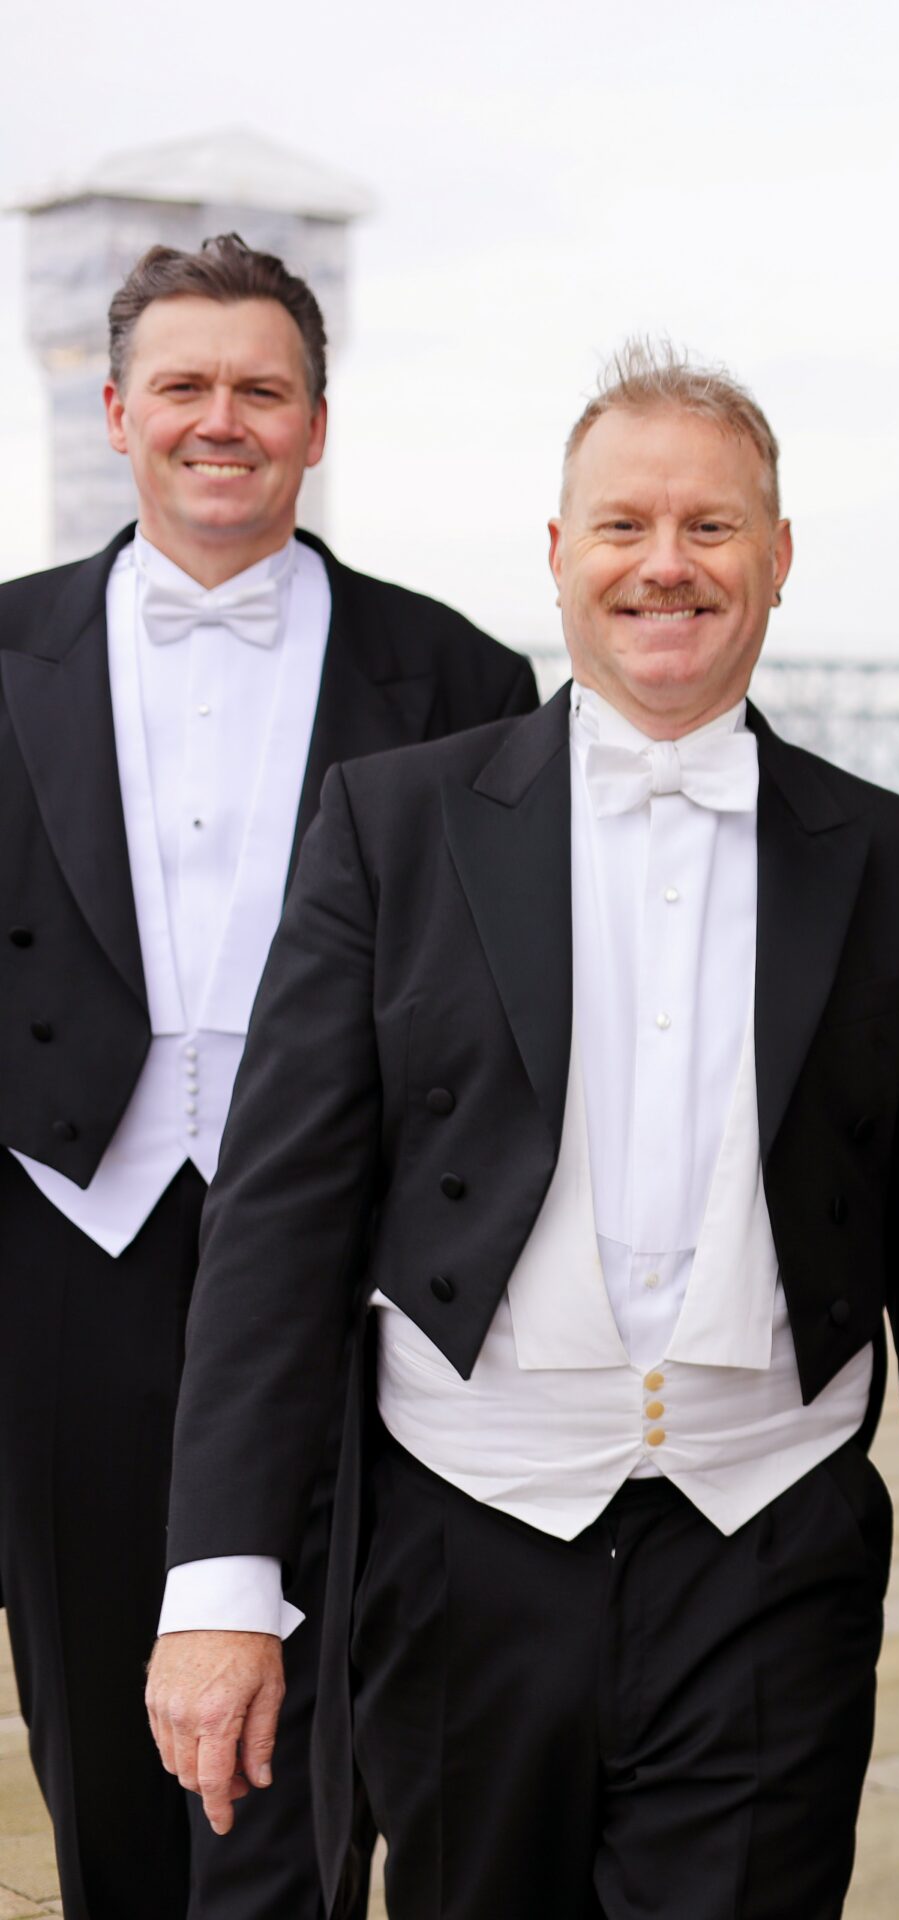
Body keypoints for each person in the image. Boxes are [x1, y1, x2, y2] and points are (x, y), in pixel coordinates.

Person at [138, 340, 899, 1919]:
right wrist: (220, 1586)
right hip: (463, 1543)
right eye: (623, 525)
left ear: (778, 556)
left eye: (711, 526)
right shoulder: (391, 825)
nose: (667, 564)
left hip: (772, 1546)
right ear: (557, 552)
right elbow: (279, 1223)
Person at [0, 233, 536, 1919]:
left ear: (316, 421)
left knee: (320, 1753)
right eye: (183, 385)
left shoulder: (462, 677)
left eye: (261, 388)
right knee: (99, 1736)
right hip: (66, 1247)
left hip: (354, 1266)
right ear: (116, 413)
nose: (219, 419)